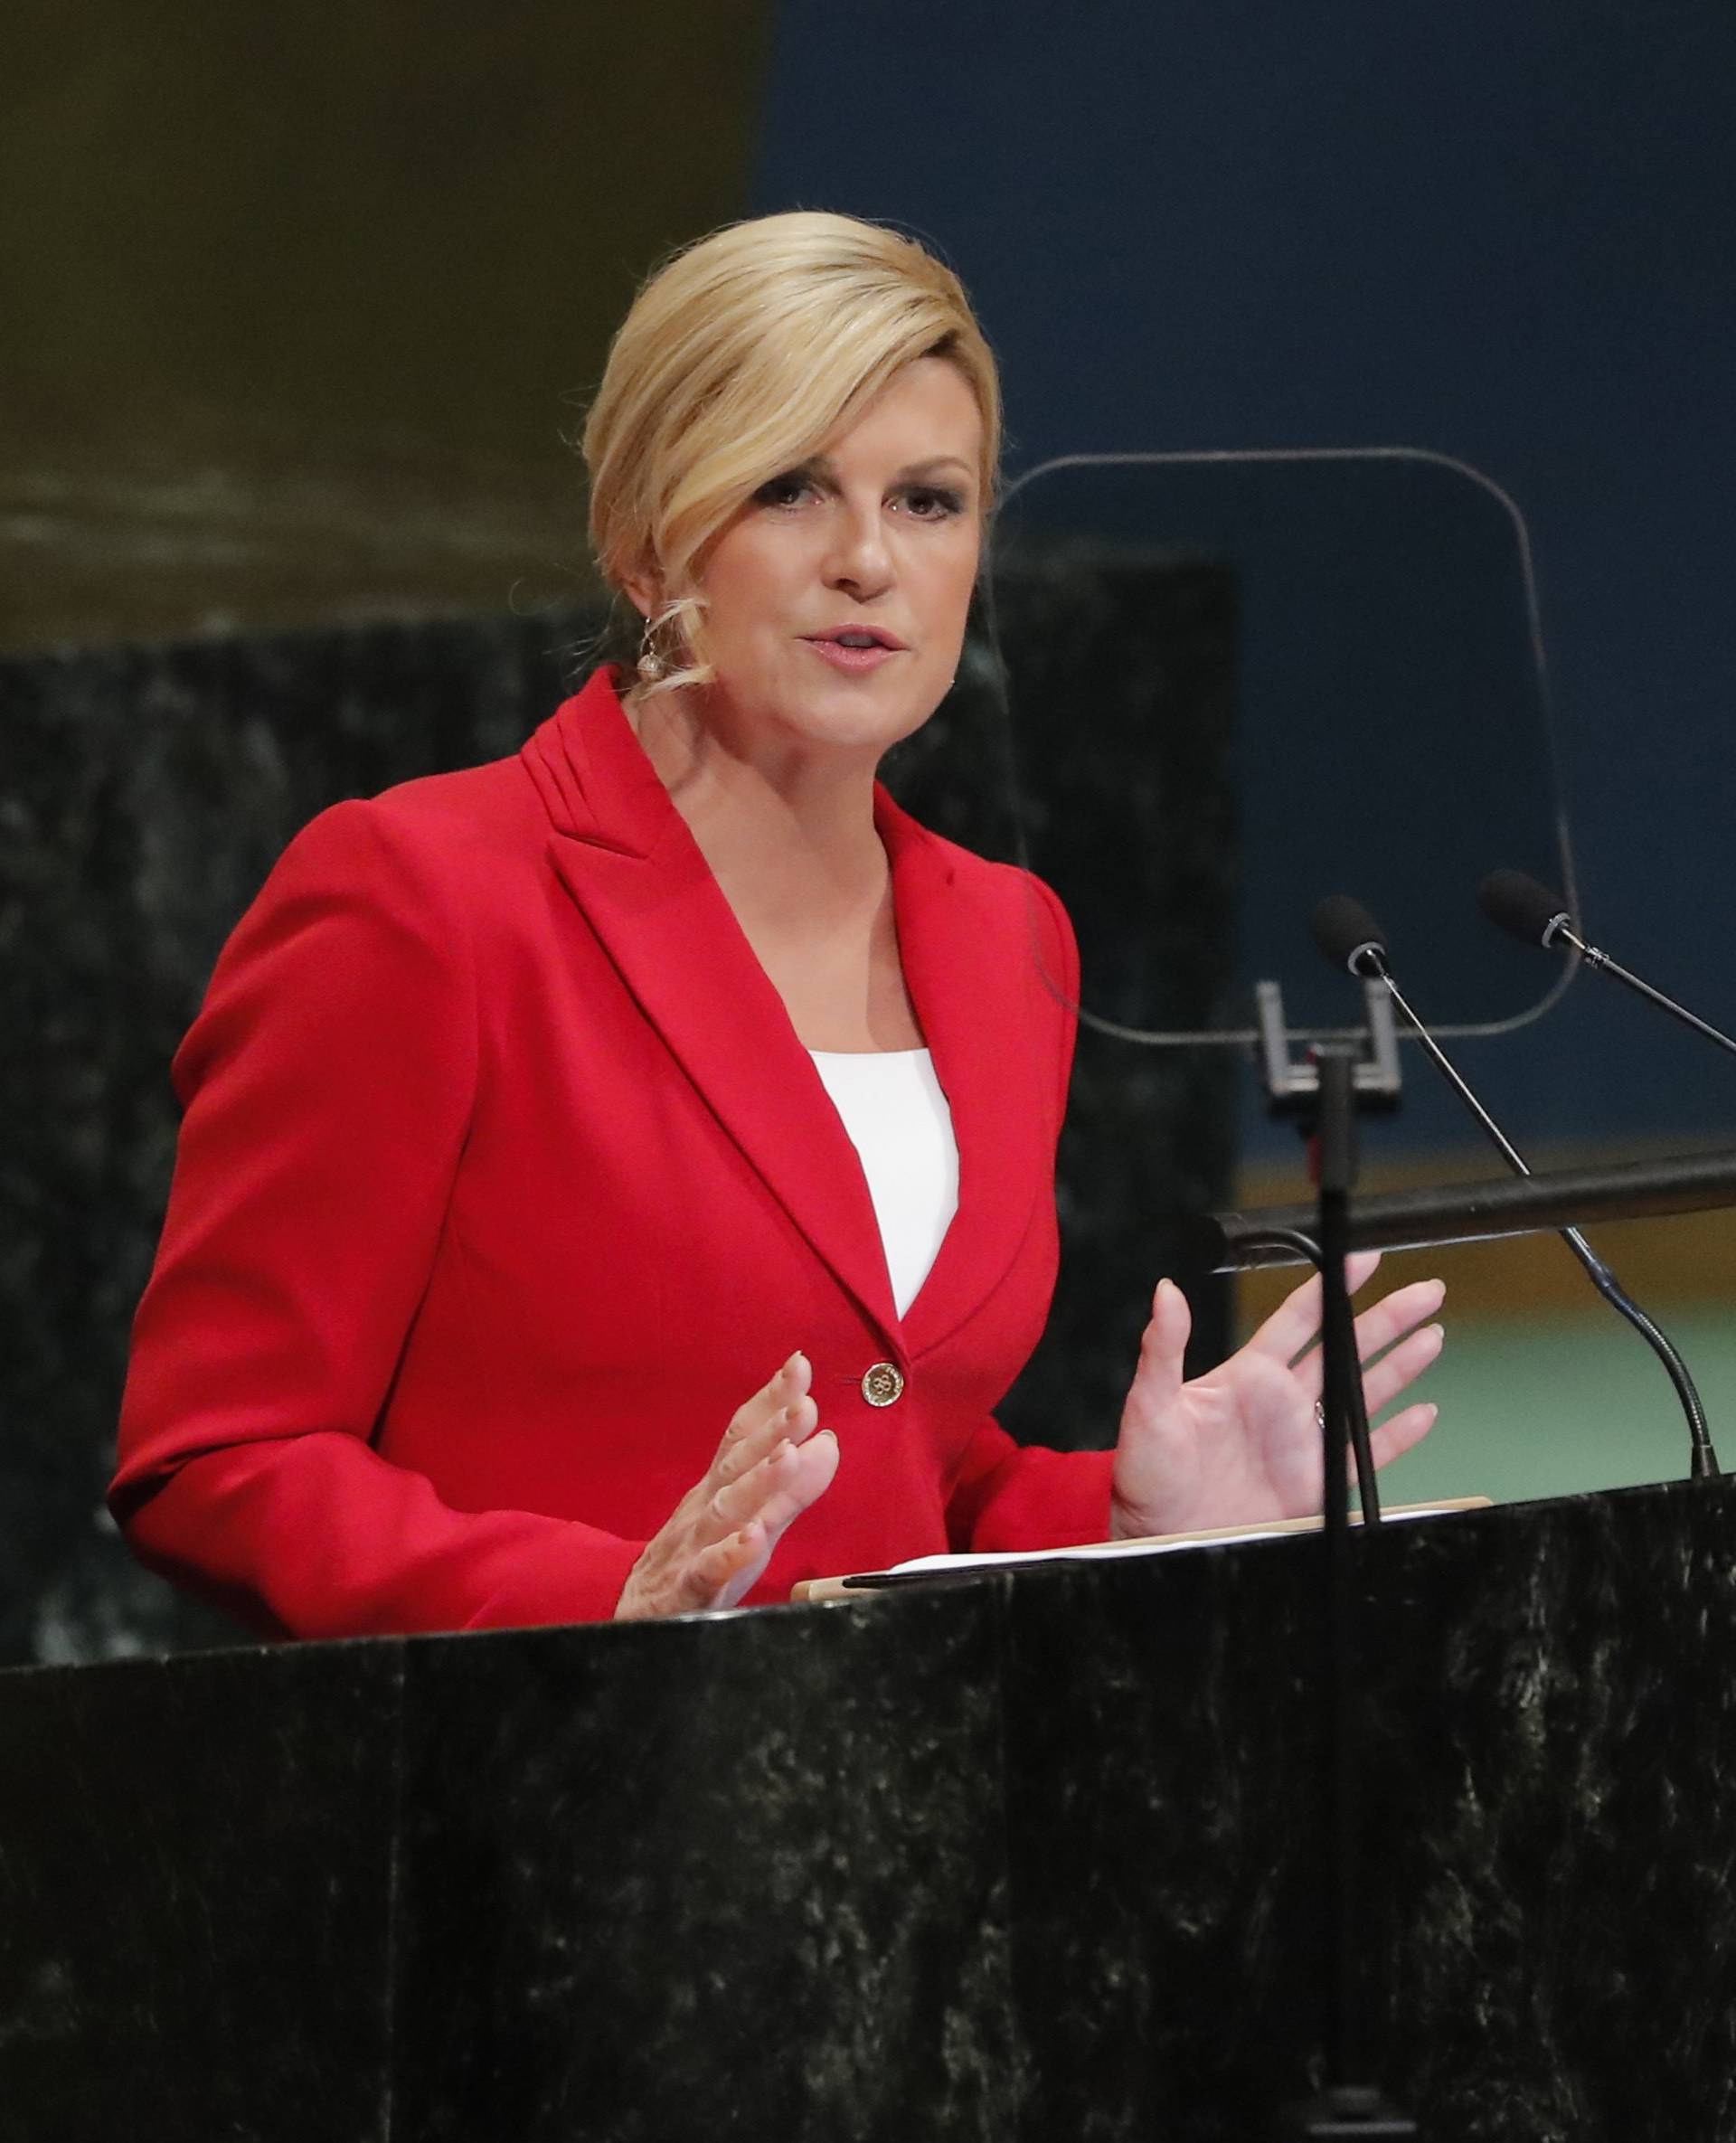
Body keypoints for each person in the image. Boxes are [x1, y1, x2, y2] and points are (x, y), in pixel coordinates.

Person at [110, 212, 1444, 1638]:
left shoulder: (1007, 937)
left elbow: (909, 1449)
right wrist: (601, 1600)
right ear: (643, 543)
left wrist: (1125, 1516)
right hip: (516, 1802)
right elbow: (216, 1457)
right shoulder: (422, 895)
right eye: (794, 488)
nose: (870, 559)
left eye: (930, 501)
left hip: (896, 1817)